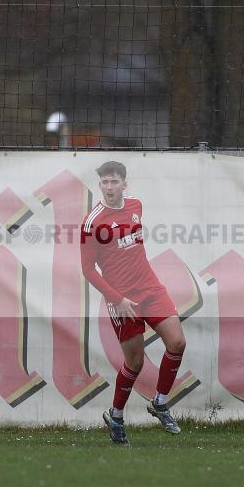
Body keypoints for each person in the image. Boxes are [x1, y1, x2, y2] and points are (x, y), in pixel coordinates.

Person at [80, 161, 187, 445]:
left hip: (150, 288)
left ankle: (160, 402)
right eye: (105, 182)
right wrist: (117, 299)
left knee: (177, 342)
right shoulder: (92, 222)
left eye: (115, 182)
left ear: (124, 184)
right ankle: (115, 416)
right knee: (135, 362)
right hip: (122, 299)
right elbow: (88, 270)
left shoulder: (137, 206)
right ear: (100, 185)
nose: (110, 187)